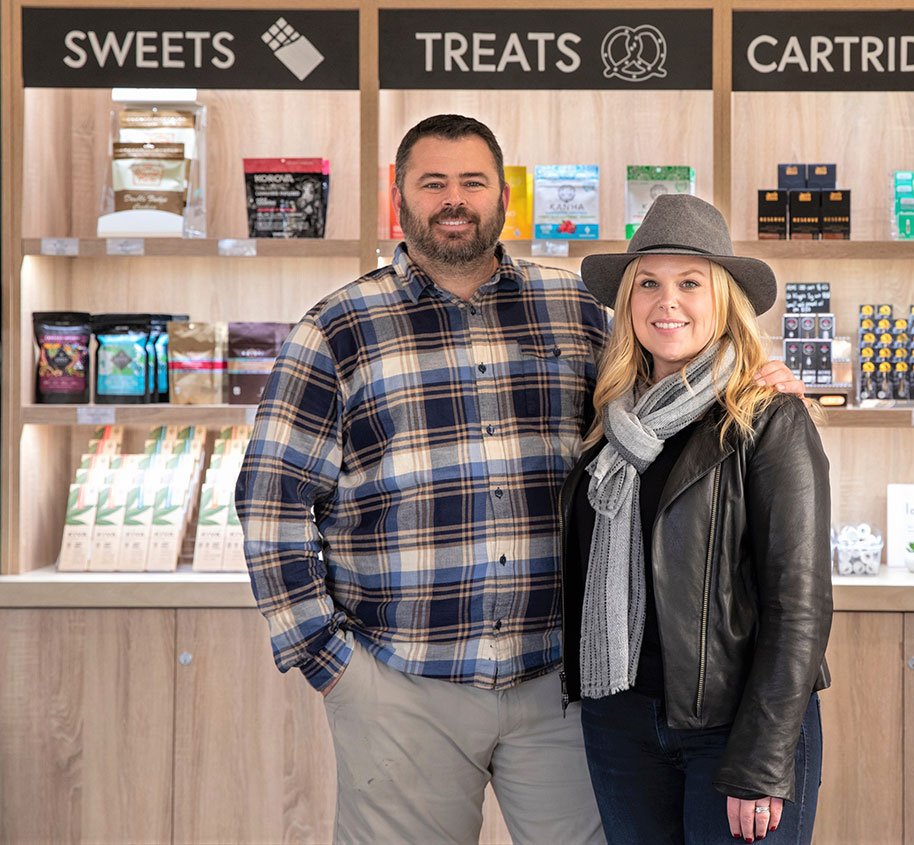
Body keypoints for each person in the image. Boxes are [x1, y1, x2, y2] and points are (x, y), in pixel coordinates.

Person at [234, 114, 801, 843]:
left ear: (504, 196)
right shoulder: (336, 330)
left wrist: (751, 381)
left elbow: (663, 410)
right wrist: (329, 660)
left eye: (472, 182)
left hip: (559, 686)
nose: (453, 199)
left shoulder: (574, 312)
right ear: (398, 197)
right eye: (431, 182)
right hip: (403, 686)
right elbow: (269, 505)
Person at [560, 194, 833, 845]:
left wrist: (762, 761)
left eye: (690, 283)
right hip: (621, 723)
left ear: (724, 299)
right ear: (627, 299)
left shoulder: (768, 417)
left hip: (734, 729)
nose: (667, 301)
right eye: (648, 283)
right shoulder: (606, 425)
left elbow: (800, 605)